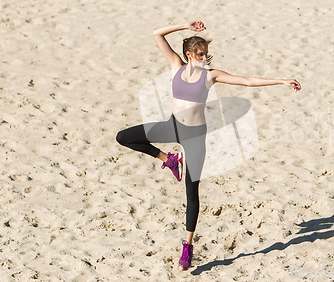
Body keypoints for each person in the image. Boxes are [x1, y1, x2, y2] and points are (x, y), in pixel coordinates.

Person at [116, 20, 301, 270]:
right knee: (124, 137)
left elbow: (246, 81)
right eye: (200, 54)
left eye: (206, 54)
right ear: (189, 54)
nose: (205, 58)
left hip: (194, 137)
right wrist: (185, 25)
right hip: (171, 126)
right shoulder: (175, 66)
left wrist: (280, 80)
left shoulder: (210, 75)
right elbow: (156, 33)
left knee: (192, 193)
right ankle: (168, 159)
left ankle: (187, 246)